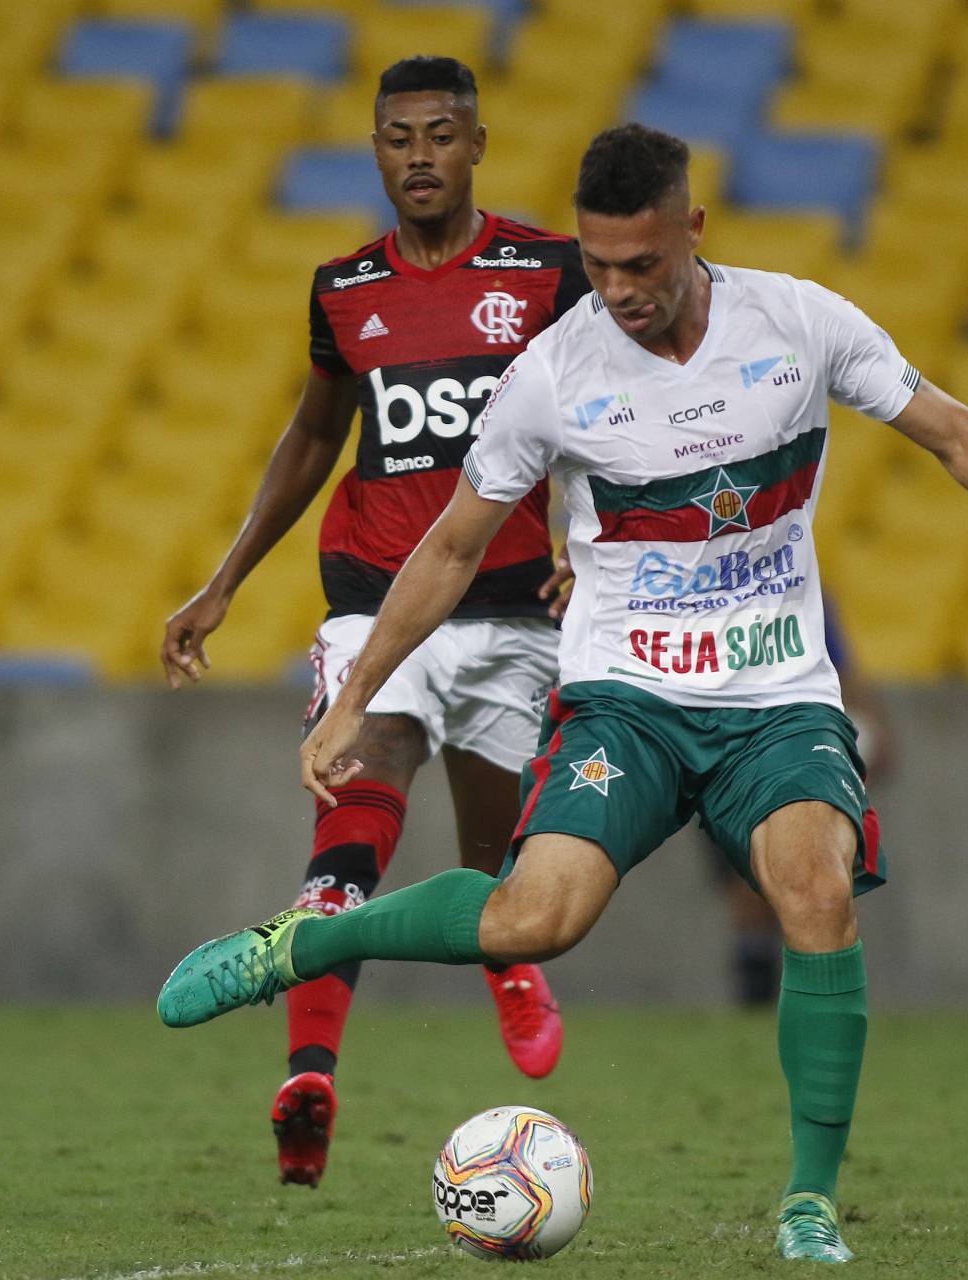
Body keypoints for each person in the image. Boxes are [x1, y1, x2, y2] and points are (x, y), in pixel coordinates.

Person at [158, 123, 968, 1263]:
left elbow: (949, 431)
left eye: (642, 264)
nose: (619, 291)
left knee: (815, 893)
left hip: (776, 697)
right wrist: (354, 698)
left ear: (693, 229)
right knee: (533, 919)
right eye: (596, 265)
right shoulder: (554, 373)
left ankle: (810, 1201)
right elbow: (447, 548)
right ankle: (300, 946)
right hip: (627, 700)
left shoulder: (796, 322)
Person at [157, 56, 590, 1187]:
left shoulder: (547, 272)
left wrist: (593, 546)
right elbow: (312, 438)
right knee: (363, 780)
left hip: (511, 606)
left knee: (495, 857)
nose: (419, 158)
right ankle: (310, 1070)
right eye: (398, 138)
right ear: (377, 149)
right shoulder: (343, 287)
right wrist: (225, 580)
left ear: (478, 145)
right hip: (373, 599)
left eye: (441, 135)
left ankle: (503, 953)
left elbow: (606, 419)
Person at [715, 594, 895, 1006]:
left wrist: (874, 723)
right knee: (747, 883)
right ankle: (758, 997)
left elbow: (844, 670)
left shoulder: (796, 590)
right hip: (719, 745)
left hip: (791, 744)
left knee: (815, 878)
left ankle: (816, 993)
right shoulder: (694, 591)